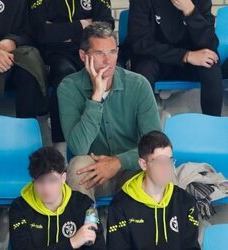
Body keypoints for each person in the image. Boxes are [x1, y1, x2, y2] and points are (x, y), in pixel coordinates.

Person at [57, 22, 161, 200]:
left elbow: (155, 145)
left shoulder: (138, 84)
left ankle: (149, 226)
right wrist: (96, 97)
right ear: (83, 56)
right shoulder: (69, 87)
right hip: (94, 168)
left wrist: (118, 162)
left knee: (160, 167)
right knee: (77, 168)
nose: (108, 60)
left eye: (112, 52)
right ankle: (87, 227)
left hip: (132, 167)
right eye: (100, 53)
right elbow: (78, 147)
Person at [28, 0, 114, 150]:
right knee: (65, 77)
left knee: (110, 74)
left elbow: (106, 25)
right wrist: (81, 25)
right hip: (57, 53)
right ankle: (61, 147)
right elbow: (40, 33)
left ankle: (110, 138)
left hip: (92, 51)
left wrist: (60, 31)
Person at [107, 131, 200, 250]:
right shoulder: (120, 206)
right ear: (143, 164)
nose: (167, 168)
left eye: (170, 160)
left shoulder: (186, 202)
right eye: (160, 162)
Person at [128, 0, 223, 116]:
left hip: (193, 61)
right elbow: (140, 42)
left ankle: (212, 125)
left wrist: (190, 11)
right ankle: (146, 129)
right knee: (144, 70)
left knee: (210, 63)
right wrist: (185, 55)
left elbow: (209, 43)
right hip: (158, 58)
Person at [9, 147, 105, 250]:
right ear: (33, 180)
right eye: (40, 181)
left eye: (52, 180)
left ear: (63, 178)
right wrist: (72, 242)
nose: (46, 188)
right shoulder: (20, 208)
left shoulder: (83, 204)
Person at [0, 0, 46, 118]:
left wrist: (13, 41)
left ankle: (26, 131)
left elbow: (29, 30)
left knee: (29, 73)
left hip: (12, 50)